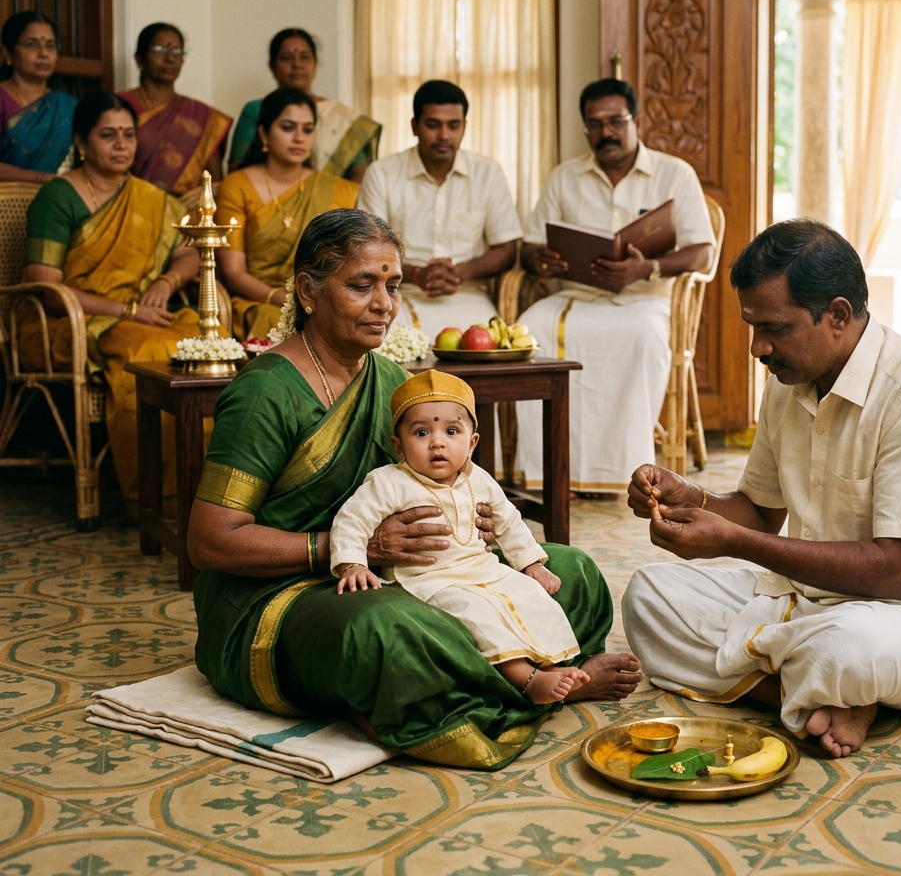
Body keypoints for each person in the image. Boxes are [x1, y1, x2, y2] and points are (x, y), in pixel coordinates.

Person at [188, 209, 643, 769]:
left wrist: (470, 521)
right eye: (362, 285)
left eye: (393, 285)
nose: (384, 304)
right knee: (386, 628)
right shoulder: (265, 393)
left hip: (408, 571)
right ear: (308, 291)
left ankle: (488, 685)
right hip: (280, 598)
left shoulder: (390, 382)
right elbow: (210, 542)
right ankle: (514, 687)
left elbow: (431, 480)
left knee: (569, 571)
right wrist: (350, 548)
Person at [621, 219, 901, 758]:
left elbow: (895, 574)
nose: (758, 347)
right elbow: (759, 511)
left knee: (847, 647)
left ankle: (821, 677)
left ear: (838, 316)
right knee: (650, 597)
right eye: (752, 326)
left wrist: (733, 542)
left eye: (773, 327)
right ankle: (819, 698)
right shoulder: (789, 380)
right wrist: (692, 497)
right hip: (805, 599)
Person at [331, 369, 589, 705]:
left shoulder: (478, 478)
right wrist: (352, 564)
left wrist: (531, 564)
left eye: (451, 431)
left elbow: (508, 520)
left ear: (472, 442)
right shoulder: (388, 482)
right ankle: (527, 680)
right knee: (475, 613)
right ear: (399, 447)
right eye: (421, 432)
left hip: (484, 570)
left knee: (531, 596)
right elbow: (352, 520)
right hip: (429, 580)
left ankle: (554, 663)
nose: (437, 442)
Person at [516, 78, 715, 495]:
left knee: (641, 337)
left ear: (636, 121)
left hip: (646, 300)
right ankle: (546, 471)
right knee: (529, 329)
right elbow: (531, 247)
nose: (605, 132)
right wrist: (541, 259)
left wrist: (646, 269)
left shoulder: (674, 174)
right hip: (576, 296)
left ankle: (625, 472)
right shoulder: (564, 177)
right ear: (585, 128)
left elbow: (701, 253)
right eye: (595, 124)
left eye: (615, 121)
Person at [20, 92, 202, 505]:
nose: (122, 145)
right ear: (81, 144)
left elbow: (189, 252)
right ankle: (161, 495)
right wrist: (127, 311)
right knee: (149, 350)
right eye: (108, 135)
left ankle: (210, 490)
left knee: (206, 343)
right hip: (73, 321)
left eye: (129, 135)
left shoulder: (151, 199)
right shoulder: (58, 197)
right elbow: (45, 286)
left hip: (146, 313)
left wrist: (167, 283)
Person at [357, 80, 521, 339]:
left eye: (453, 125)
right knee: (389, 345)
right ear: (415, 126)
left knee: (487, 344)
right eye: (433, 125)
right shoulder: (382, 174)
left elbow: (506, 249)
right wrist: (417, 274)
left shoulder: (487, 173)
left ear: (464, 127)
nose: (444, 135)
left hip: (468, 295)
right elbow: (367, 249)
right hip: (399, 295)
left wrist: (460, 273)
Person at [214, 88, 359, 341]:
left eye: (308, 129)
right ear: (264, 133)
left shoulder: (337, 190)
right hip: (260, 301)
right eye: (288, 127)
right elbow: (234, 273)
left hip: (321, 300)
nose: (299, 138)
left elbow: (348, 264)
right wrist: (281, 298)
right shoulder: (237, 186)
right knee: (278, 322)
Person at [227, 28, 380, 181]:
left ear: (315, 63)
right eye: (286, 58)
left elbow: (360, 174)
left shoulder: (342, 117)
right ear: (272, 66)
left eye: (305, 57)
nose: (297, 64)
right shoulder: (256, 109)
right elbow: (236, 171)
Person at [119, 23, 232, 204]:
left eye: (177, 52)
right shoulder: (119, 106)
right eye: (159, 50)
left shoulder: (201, 116)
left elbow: (214, 181)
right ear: (140, 58)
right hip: (129, 207)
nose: (170, 58)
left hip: (185, 216)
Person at [0, 11, 76, 183]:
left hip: (57, 204)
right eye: (32, 45)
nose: (44, 53)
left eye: (50, 45)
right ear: (8, 54)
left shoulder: (70, 107)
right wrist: (40, 178)